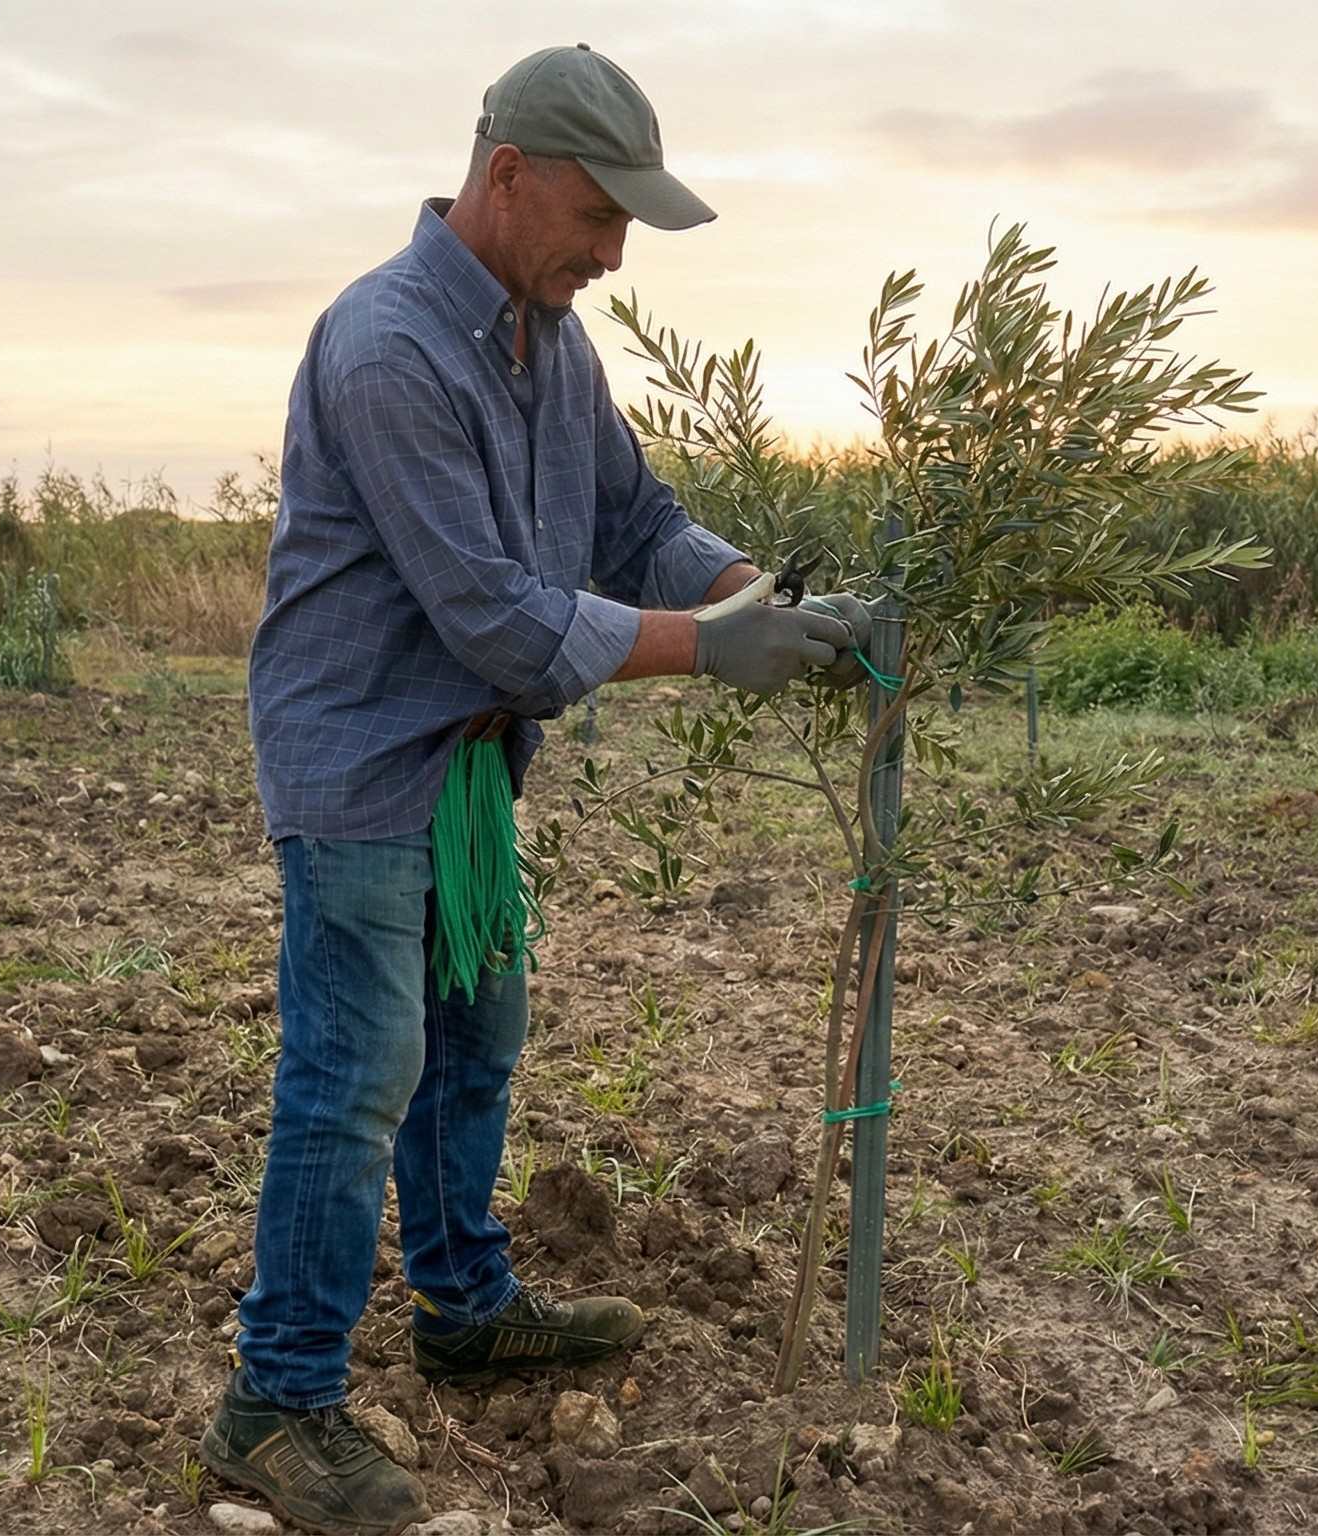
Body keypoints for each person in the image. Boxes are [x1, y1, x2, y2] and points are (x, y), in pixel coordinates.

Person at [204, 43, 869, 1535]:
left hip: (466, 771)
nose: (616, 252)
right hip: (367, 756)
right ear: (506, 177)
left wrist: (765, 593)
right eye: (599, 214)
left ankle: (462, 1304)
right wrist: (715, 648)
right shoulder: (385, 348)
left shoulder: (548, 340)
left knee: (474, 1039)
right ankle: (277, 1400)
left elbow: (636, 523)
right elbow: (500, 616)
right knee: (358, 1070)